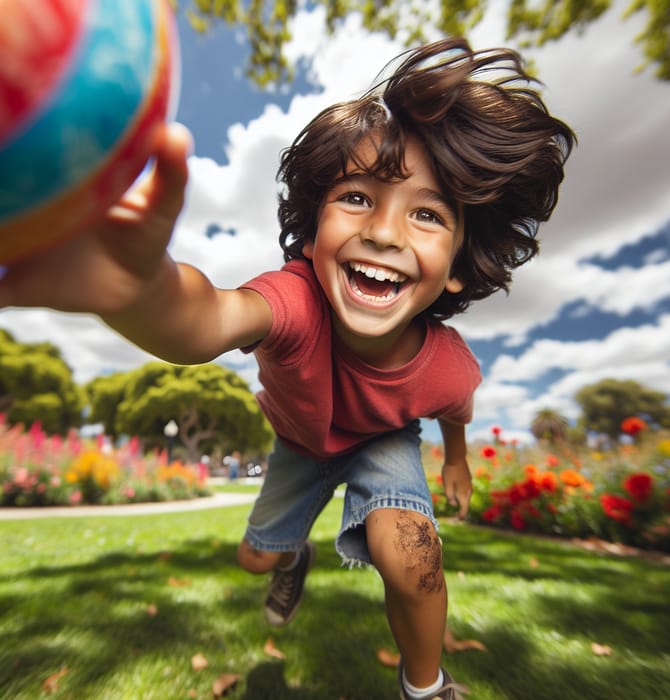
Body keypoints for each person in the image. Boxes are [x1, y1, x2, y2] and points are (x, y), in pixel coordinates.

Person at [0, 38, 575, 699]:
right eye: (358, 197)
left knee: (411, 552)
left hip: (381, 442)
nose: (386, 233)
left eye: (426, 214)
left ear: (455, 270)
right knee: (254, 559)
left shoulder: (447, 365)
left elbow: (454, 410)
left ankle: (428, 686)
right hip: (300, 444)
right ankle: (290, 554)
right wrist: (142, 293)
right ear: (312, 232)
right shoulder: (296, 300)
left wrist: (456, 461)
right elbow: (209, 318)